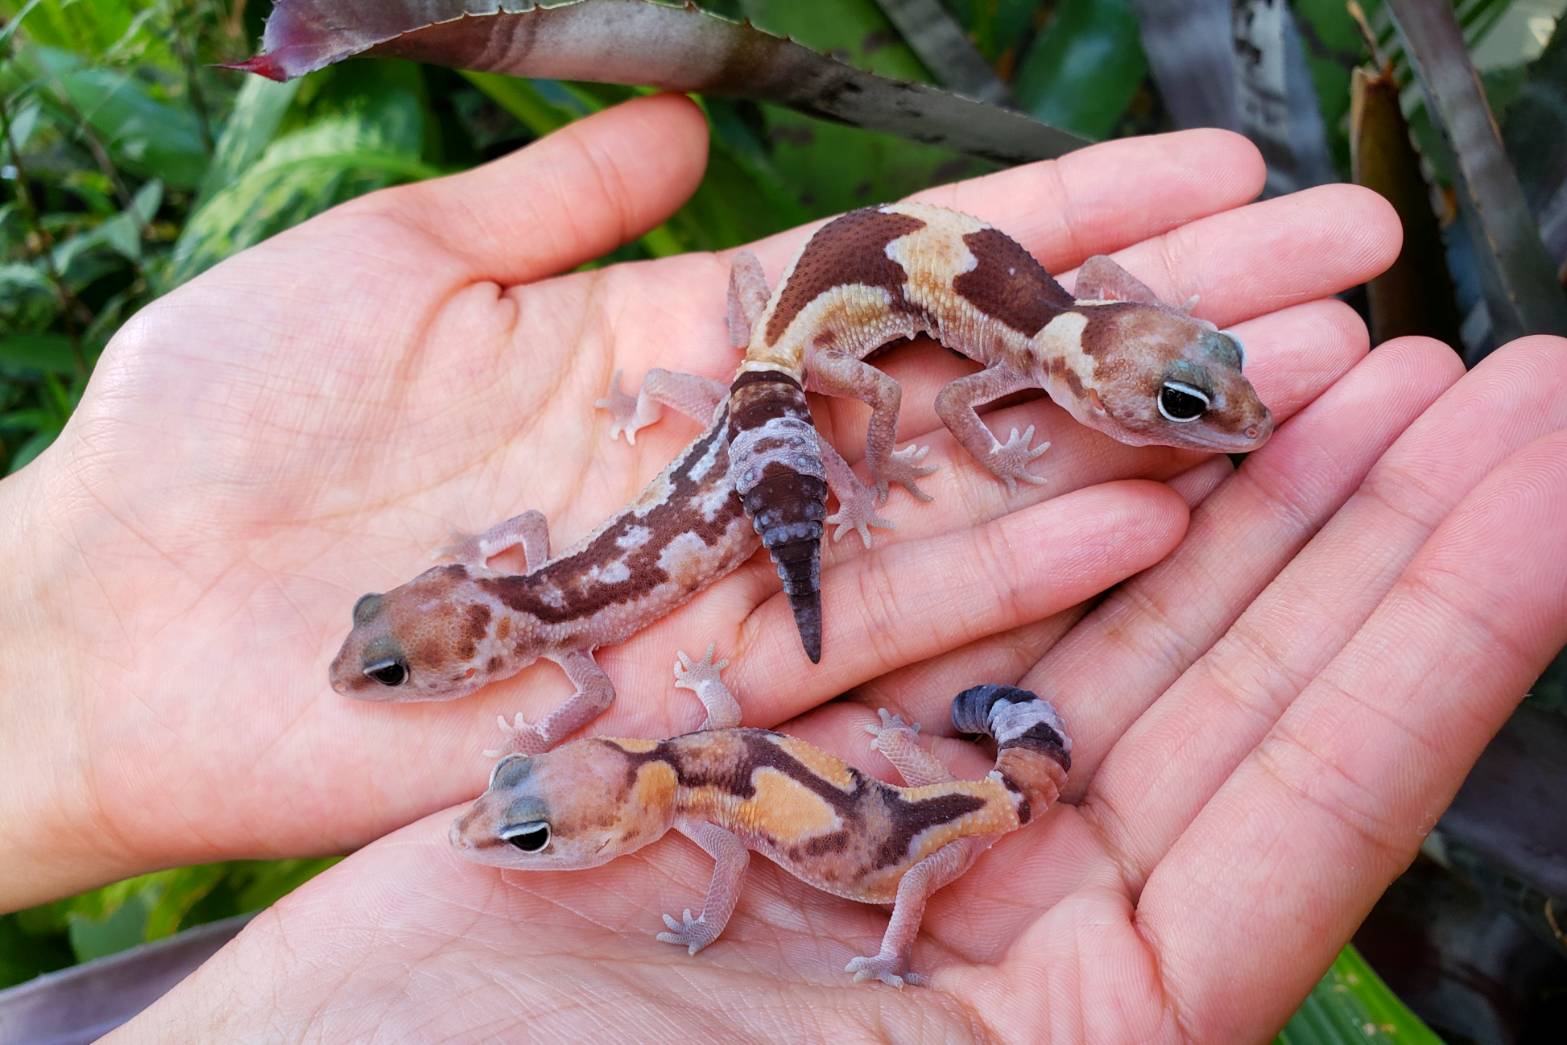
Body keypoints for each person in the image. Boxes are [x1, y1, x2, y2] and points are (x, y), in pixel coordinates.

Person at [1, 94, 1562, 1041]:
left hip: (804, 383)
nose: (1211, 420)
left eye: (1187, 399)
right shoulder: (622, 664)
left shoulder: (1051, 342)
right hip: (796, 379)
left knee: (799, 477)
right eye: (1183, 403)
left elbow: (997, 366)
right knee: (793, 475)